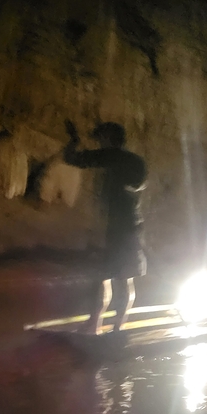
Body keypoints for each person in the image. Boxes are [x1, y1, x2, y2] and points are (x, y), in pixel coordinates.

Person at [63, 120, 147, 334]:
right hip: (129, 225)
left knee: (103, 276)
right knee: (123, 277)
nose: (99, 142)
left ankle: (95, 324)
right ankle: (116, 326)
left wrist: (74, 140)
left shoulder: (109, 156)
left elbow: (72, 158)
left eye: (101, 138)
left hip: (113, 226)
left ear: (108, 138)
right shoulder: (136, 161)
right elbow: (138, 185)